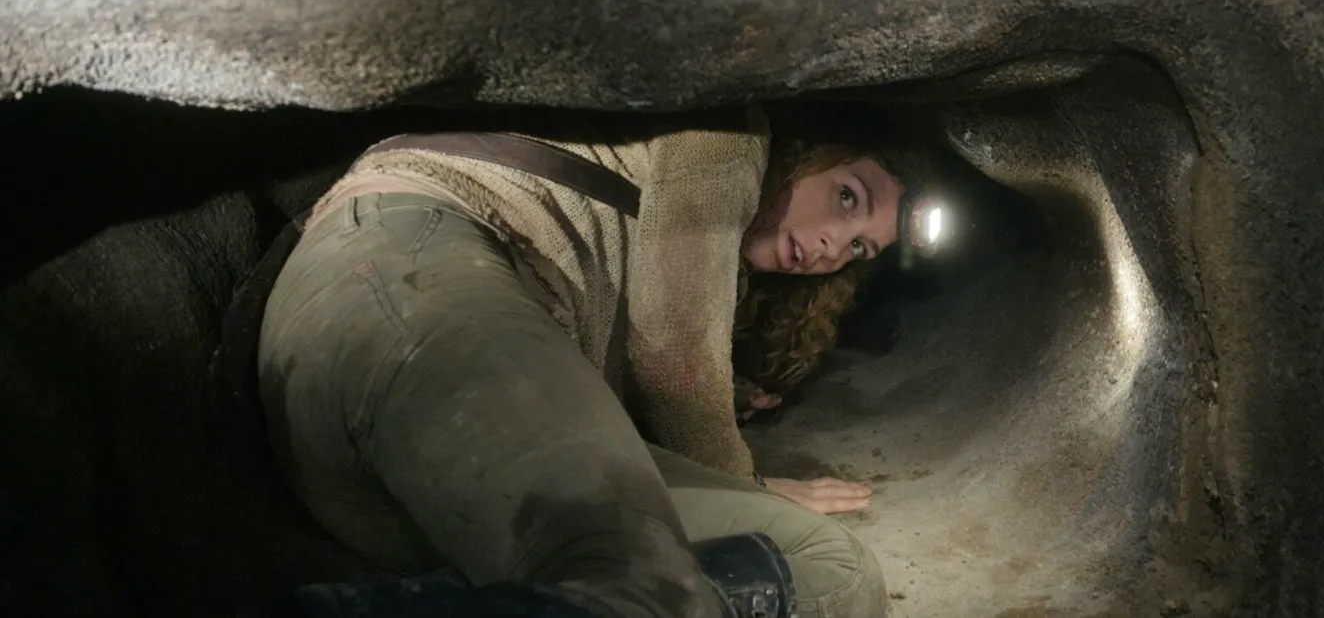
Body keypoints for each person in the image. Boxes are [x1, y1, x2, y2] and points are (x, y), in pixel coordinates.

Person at [256, 105, 936, 618]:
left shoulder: (704, 265)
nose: (832, 246)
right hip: (405, 276)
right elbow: (674, 355)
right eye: (849, 197)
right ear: (809, 152)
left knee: (834, 572)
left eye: (858, 251)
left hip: (417, 499)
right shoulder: (728, 130)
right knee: (630, 574)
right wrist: (742, 477)